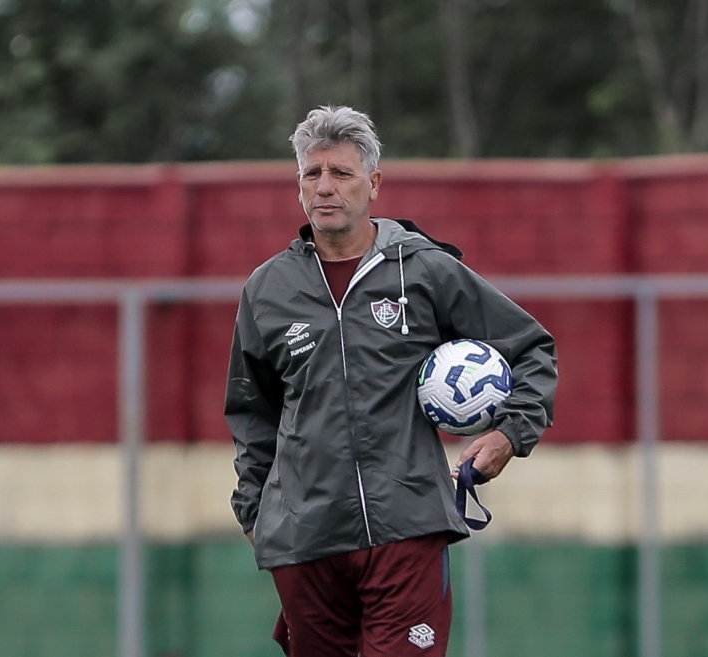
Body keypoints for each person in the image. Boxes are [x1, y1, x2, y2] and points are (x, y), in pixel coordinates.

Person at [225, 106, 558, 657]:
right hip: (304, 540)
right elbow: (251, 410)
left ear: (374, 183)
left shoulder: (425, 270)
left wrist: (511, 434)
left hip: (408, 528)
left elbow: (532, 348)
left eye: (341, 173)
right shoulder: (267, 290)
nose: (325, 188)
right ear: (299, 186)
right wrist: (253, 511)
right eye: (312, 174)